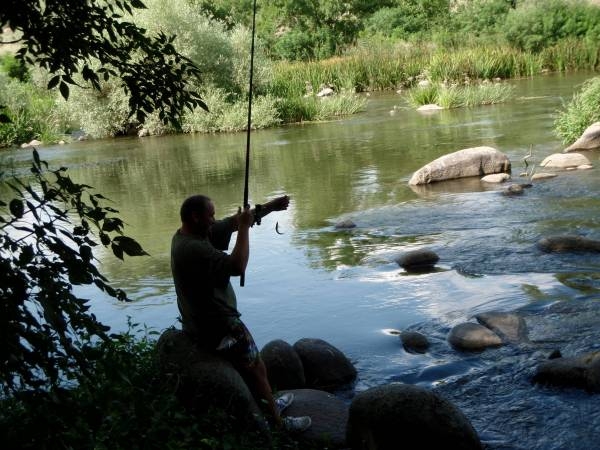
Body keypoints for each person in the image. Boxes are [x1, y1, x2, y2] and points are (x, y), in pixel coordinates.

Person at [171, 194, 311, 432]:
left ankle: (266, 404)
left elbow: (233, 221)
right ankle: (277, 425)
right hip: (220, 325)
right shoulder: (193, 249)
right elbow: (237, 266)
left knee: (252, 369)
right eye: (210, 215)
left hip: (199, 321)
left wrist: (269, 208)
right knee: (257, 368)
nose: (214, 220)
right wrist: (245, 229)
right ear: (196, 217)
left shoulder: (189, 235)